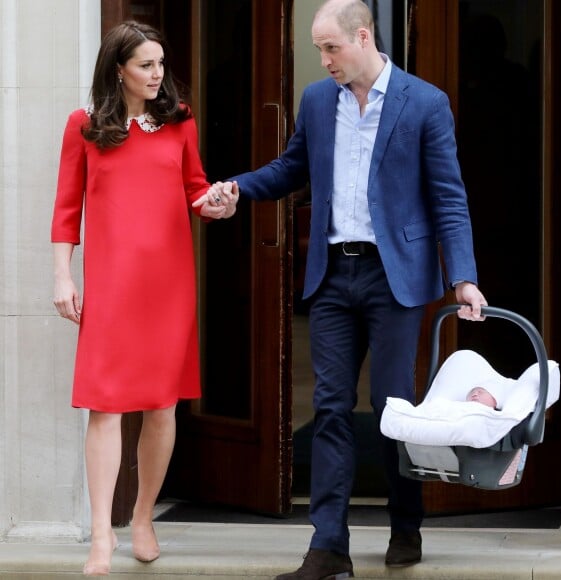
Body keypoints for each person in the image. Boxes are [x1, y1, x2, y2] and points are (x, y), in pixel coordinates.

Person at [198, 0, 487, 577]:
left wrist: (463, 278)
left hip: (396, 277)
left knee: (392, 409)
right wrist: (238, 188)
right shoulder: (316, 100)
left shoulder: (425, 103)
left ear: (362, 37)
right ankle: (328, 547)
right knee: (329, 408)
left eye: (330, 48)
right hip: (332, 274)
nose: (323, 59)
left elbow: (449, 198)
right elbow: (290, 167)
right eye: (318, 49)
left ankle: (406, 524)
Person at [51, 21, 236, 576]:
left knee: (161, 406)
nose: (158, 75)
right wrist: (63, 277)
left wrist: (218, 203)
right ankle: (101, 536)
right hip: (111, 285)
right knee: (105, 408)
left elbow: (195, 191)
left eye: (161, 64)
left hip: (168, 285)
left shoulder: (180, 124)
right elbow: (65, 210)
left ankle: (143, 517)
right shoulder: (83, 127)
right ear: (118, 70)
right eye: (146, 65)